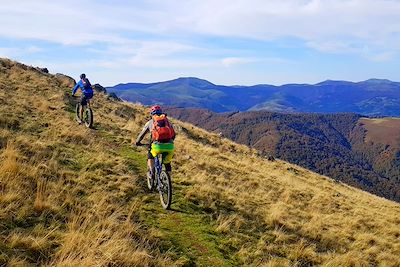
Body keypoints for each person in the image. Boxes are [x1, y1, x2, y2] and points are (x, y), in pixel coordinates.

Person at [135, 105, 175, 179]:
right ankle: (168, 180)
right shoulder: (168, 122)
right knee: (167, 163)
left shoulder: (150, 122)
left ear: (152, 114)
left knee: (150, 152)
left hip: (157, 147)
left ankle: (152, 172)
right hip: (170, 146)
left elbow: (141, 135)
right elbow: (173, 135)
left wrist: (137, 142)